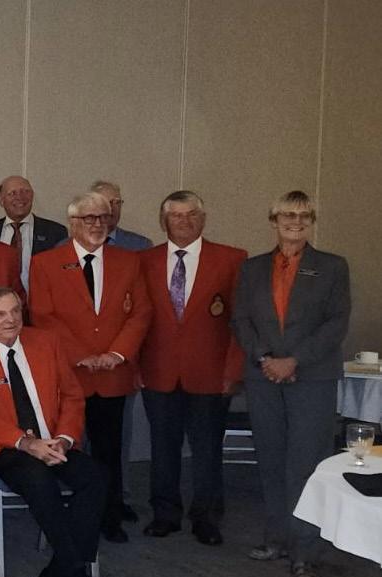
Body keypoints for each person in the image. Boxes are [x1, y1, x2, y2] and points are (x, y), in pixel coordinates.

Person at [232, 191, 350, 577]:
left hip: (311, 377)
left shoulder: (333, 266)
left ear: (312, 222)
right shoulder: (252, 268)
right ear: (274, 220)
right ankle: (276, 538)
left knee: (306, 463)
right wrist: (266, 359)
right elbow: (241, 320)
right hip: (264, 376)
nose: (295, 222)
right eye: (287, 215)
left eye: (304, 216)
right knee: (270, 459)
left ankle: (305, 548)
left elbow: (336, 322)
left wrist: (294, 360)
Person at [0, 288, 105, 577]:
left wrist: (64, 439)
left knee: (95, 477)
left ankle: (63, 566)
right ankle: (73, 566)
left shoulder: (46, 342)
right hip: (4, 447)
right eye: (0, 314)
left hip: (53, 440)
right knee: (38, 478)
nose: (10, 319)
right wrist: (25, 443)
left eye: (15, 311)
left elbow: (72, 396)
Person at [29, 191, 151, 543]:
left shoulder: (129, 261)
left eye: (103, 217)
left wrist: (117, 354)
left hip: (113, 373)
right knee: (68, 448)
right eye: (89, 218)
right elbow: (43, 315)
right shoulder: (46, 263)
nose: (97, 224)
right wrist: (80, 354)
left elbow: (141, 313)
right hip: (69, 372)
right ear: (73, 223)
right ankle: (69, 515)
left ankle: (109, 516)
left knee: (110, 449)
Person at [138, 191, 247, 546]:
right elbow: (137, 318)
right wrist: (135, 366)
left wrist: (233, 371)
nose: (184, 221)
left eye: (191, 215)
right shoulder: (144, 260)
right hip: (158, 372)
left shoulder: (231, 259)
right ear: (164, 221)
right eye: (176, 215)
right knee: (162, 449)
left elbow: (241, 321)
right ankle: (165, 514)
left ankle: (207, 517)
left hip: (211, 375)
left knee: (207, 451)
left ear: (203, 219)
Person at [0, 176, 67, 289]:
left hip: (40, 297)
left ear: (32, 195)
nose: (20, 197)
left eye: (25, 191)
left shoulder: (56, 232)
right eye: (12, 193)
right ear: (1, 200)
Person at [91, 181, 153, 251]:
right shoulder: (81, 242)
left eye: (116, 202)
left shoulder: (141, 245)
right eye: (105, 202)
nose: (111, 207)